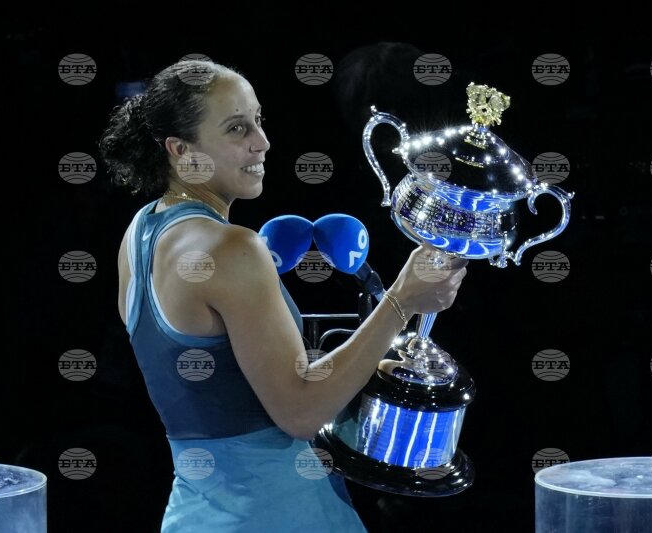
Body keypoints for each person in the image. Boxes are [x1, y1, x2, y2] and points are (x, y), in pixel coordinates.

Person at [98, 59, 468, 533]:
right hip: (281, 515)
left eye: (258, 120)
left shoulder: (140, 231)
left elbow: (228, 390)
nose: (262, 141)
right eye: (236, 128)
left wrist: (360, 364)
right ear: (180, 150)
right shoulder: (232, 248)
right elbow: (300, 412)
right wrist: (402, 301)